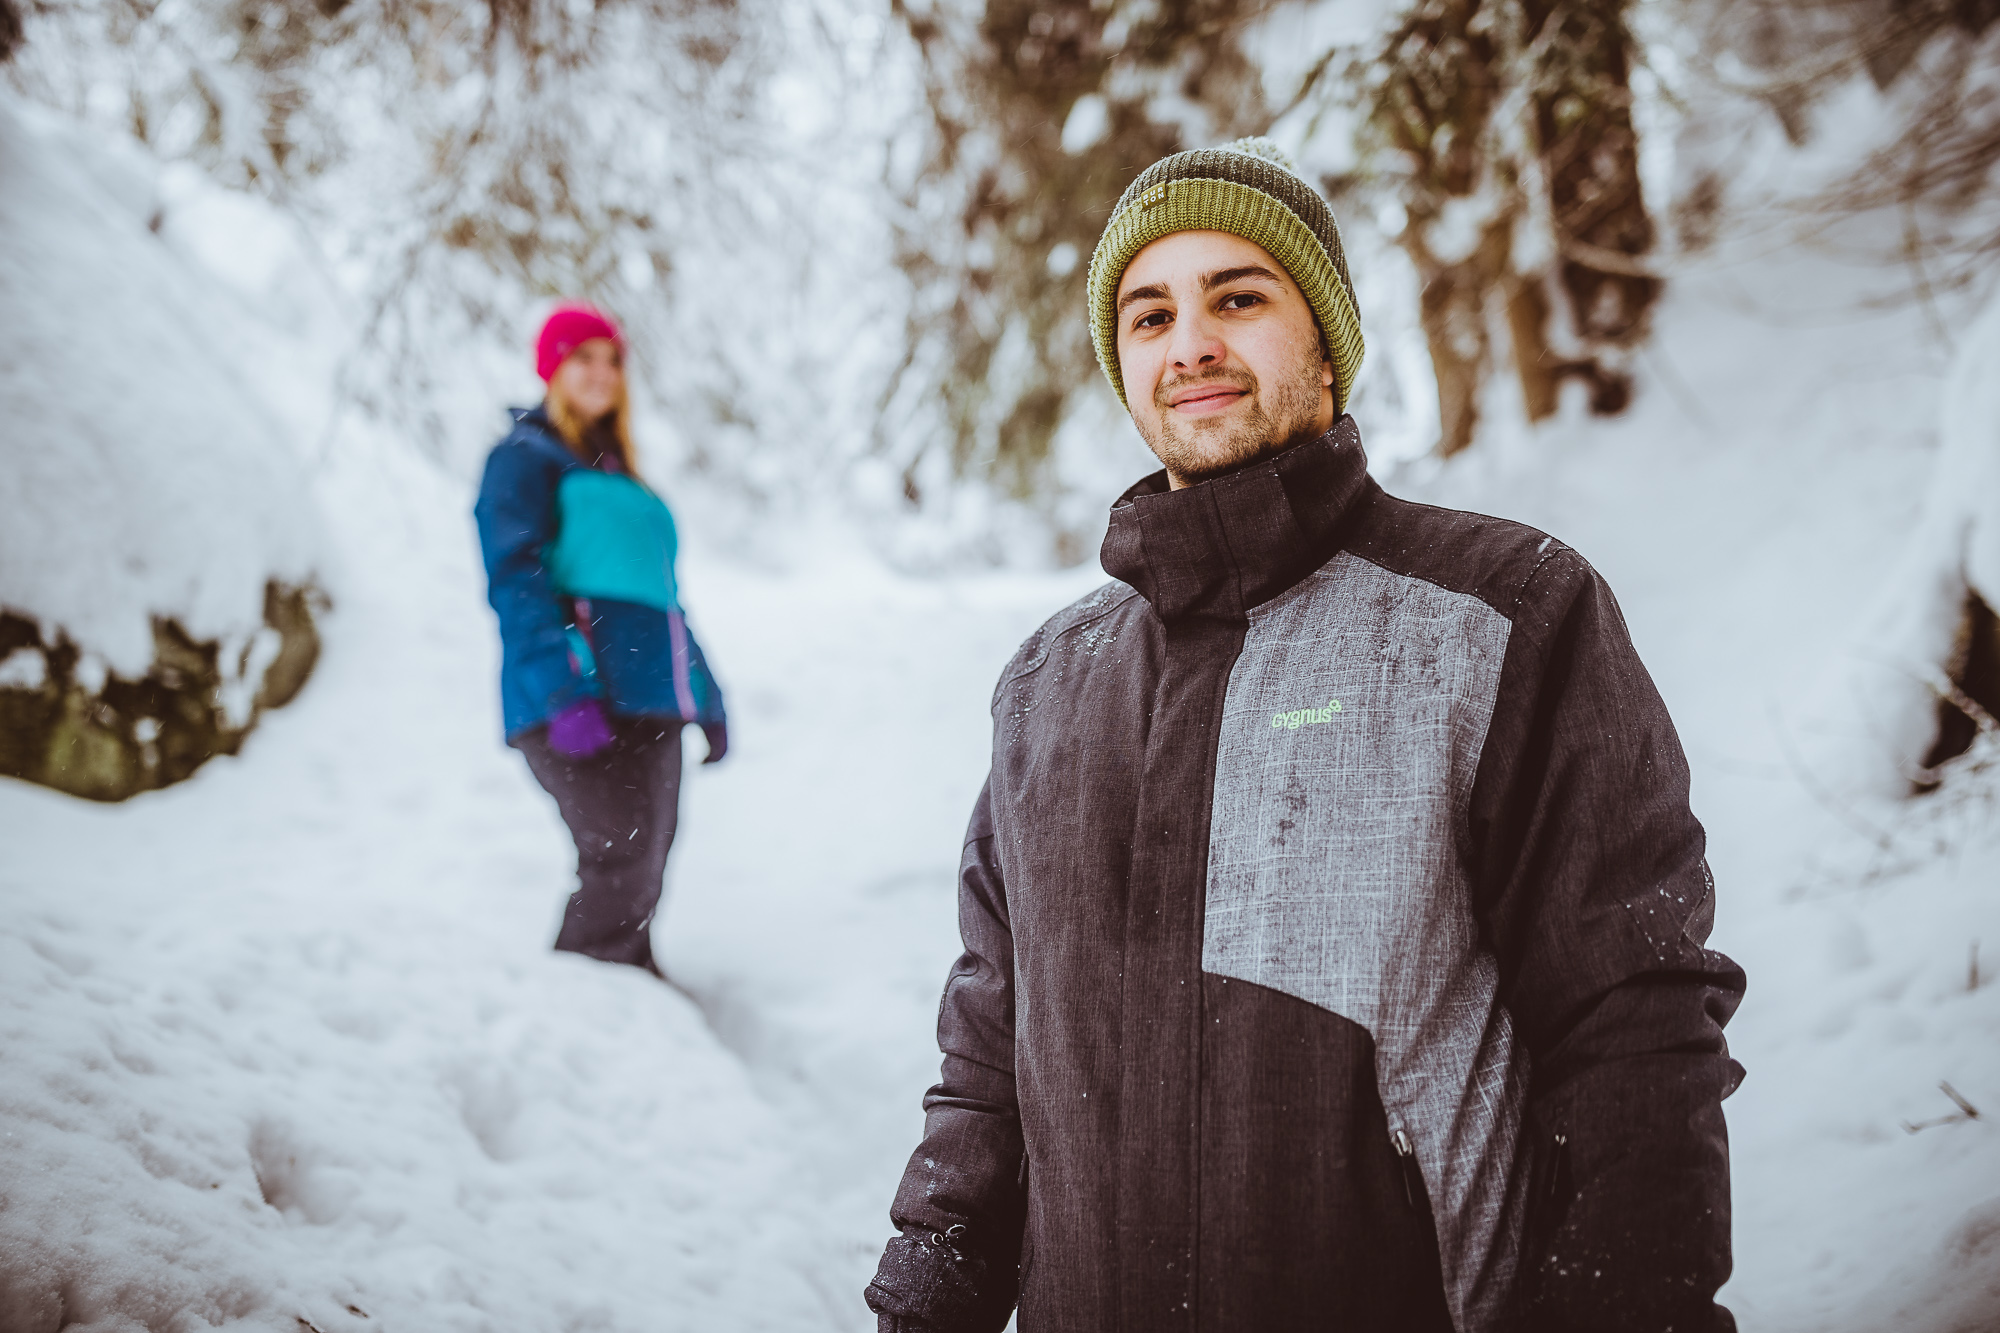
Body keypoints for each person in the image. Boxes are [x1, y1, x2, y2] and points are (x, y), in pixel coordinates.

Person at [863, 139, 1745, 1333]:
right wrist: (927, 1294)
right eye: (1147, 314)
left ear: (1325, 338)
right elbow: (986, 1051)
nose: (1189, 345)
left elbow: (1633, 1025)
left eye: (1237, 296)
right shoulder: (1046, 685)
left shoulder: (1503, 614)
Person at [474, 303, 727, 977]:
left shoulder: (627, 477)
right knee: (616, 852)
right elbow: (514, 580)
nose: (601, 372)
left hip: (653, 698)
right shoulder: (524, 459)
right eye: (583, 356)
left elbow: (663, 601)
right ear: (553, 368)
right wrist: (562, 692)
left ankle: (631, 985)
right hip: (581, 693)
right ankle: (585, 995)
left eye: (611, 359)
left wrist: (708, 695)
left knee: (648, 858)